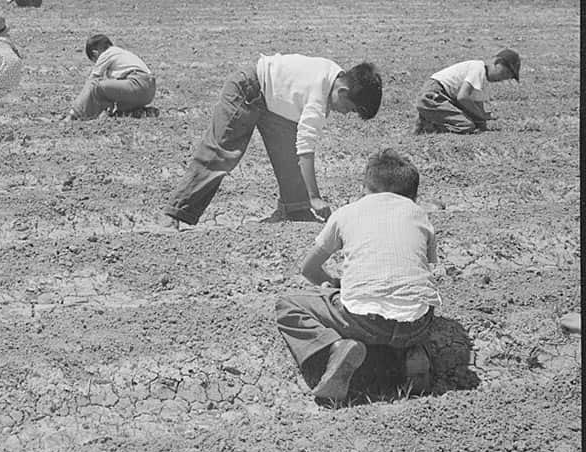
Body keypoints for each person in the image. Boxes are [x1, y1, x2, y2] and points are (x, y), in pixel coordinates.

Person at [275, 149, 441, 401]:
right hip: (418, 322)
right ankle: (413, 351)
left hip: (364, 320)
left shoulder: (346, 212)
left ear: (365, 186)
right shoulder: (419, 214)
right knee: (411, 301)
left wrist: (332, 285)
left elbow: (308, 268)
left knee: (288, 304)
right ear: (413, 196)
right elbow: (425, 266)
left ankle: (336, 346)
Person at [160, 53, 383, 229]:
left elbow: (298, 151)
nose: (344, 113)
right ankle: (174, 214)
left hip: (273, 102)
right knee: (220, 153)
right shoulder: (317, 95)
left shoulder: (334, 74)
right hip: (247, 90)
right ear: (343, 91)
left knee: (289, 158)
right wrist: (315, 197)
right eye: (349, 109)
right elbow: (306, 148)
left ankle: (295, 211)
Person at [414, 49, 520, 134]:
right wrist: (482, 116)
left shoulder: (483, 82)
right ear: (497, 62)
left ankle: (431, 118)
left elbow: (476, 107)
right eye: (505, 73)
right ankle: (428, 125)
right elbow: (463, 97)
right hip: (434, 94)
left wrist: (482, 119)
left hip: (445, 97)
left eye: (508, 77)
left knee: (476, 124)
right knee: (466, 125)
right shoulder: (478, 68)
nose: (503, 78)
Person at [63, 34, 156, 120]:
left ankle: (74, 116)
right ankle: (142, 112)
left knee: (96, 86)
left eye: (95, 61)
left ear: (95, 53)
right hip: (149, 90)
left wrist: (75, 110)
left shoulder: (107, 53)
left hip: (137, 84)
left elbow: (92, 80)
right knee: (114, 108)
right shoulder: (121, 53)